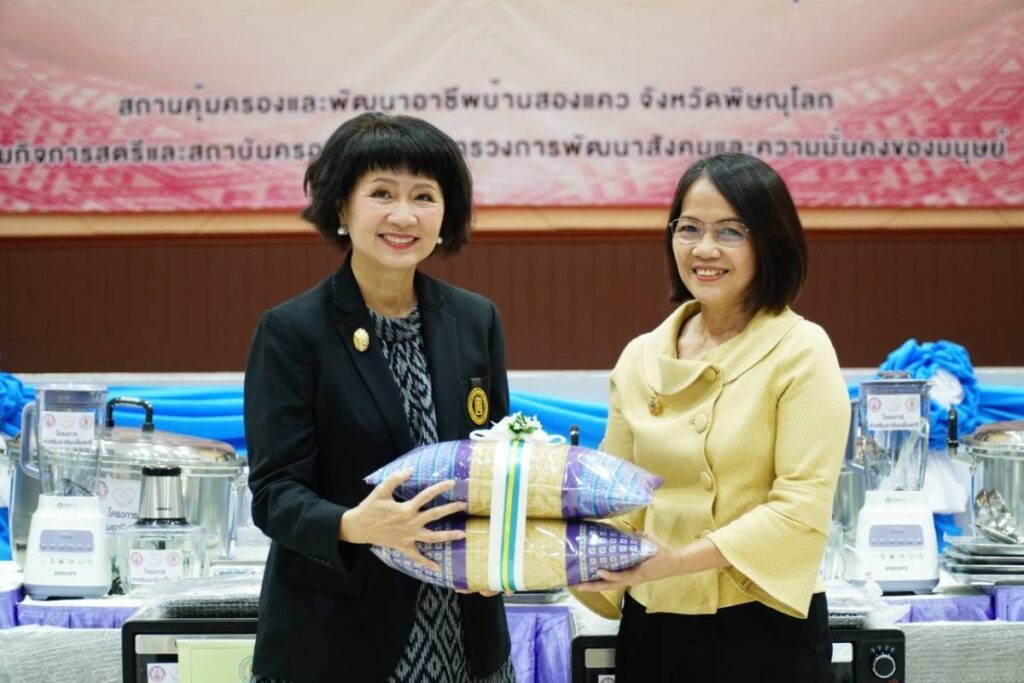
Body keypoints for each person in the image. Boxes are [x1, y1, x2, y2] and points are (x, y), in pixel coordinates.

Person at [244, 113, 515, 683]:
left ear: (445, 215)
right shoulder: (293, 331)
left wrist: (506, 547)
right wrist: (354, 524)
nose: (404, 215)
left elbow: (496, 464)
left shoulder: (476, 319)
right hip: (338, 641)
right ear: (342, 209)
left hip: (465, 631)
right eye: (382, 193)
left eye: (424, 196)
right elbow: (274, 494)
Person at [575, 153, 849, 681]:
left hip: (762, 625)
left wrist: (678, 561)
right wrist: (539, 548)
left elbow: (800, 509)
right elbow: (616, 500)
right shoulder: (641, 356)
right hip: (652, 623)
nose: (704, 249)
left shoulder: (801, 349)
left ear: (770, 241)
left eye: (730, 231)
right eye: (689, 228)